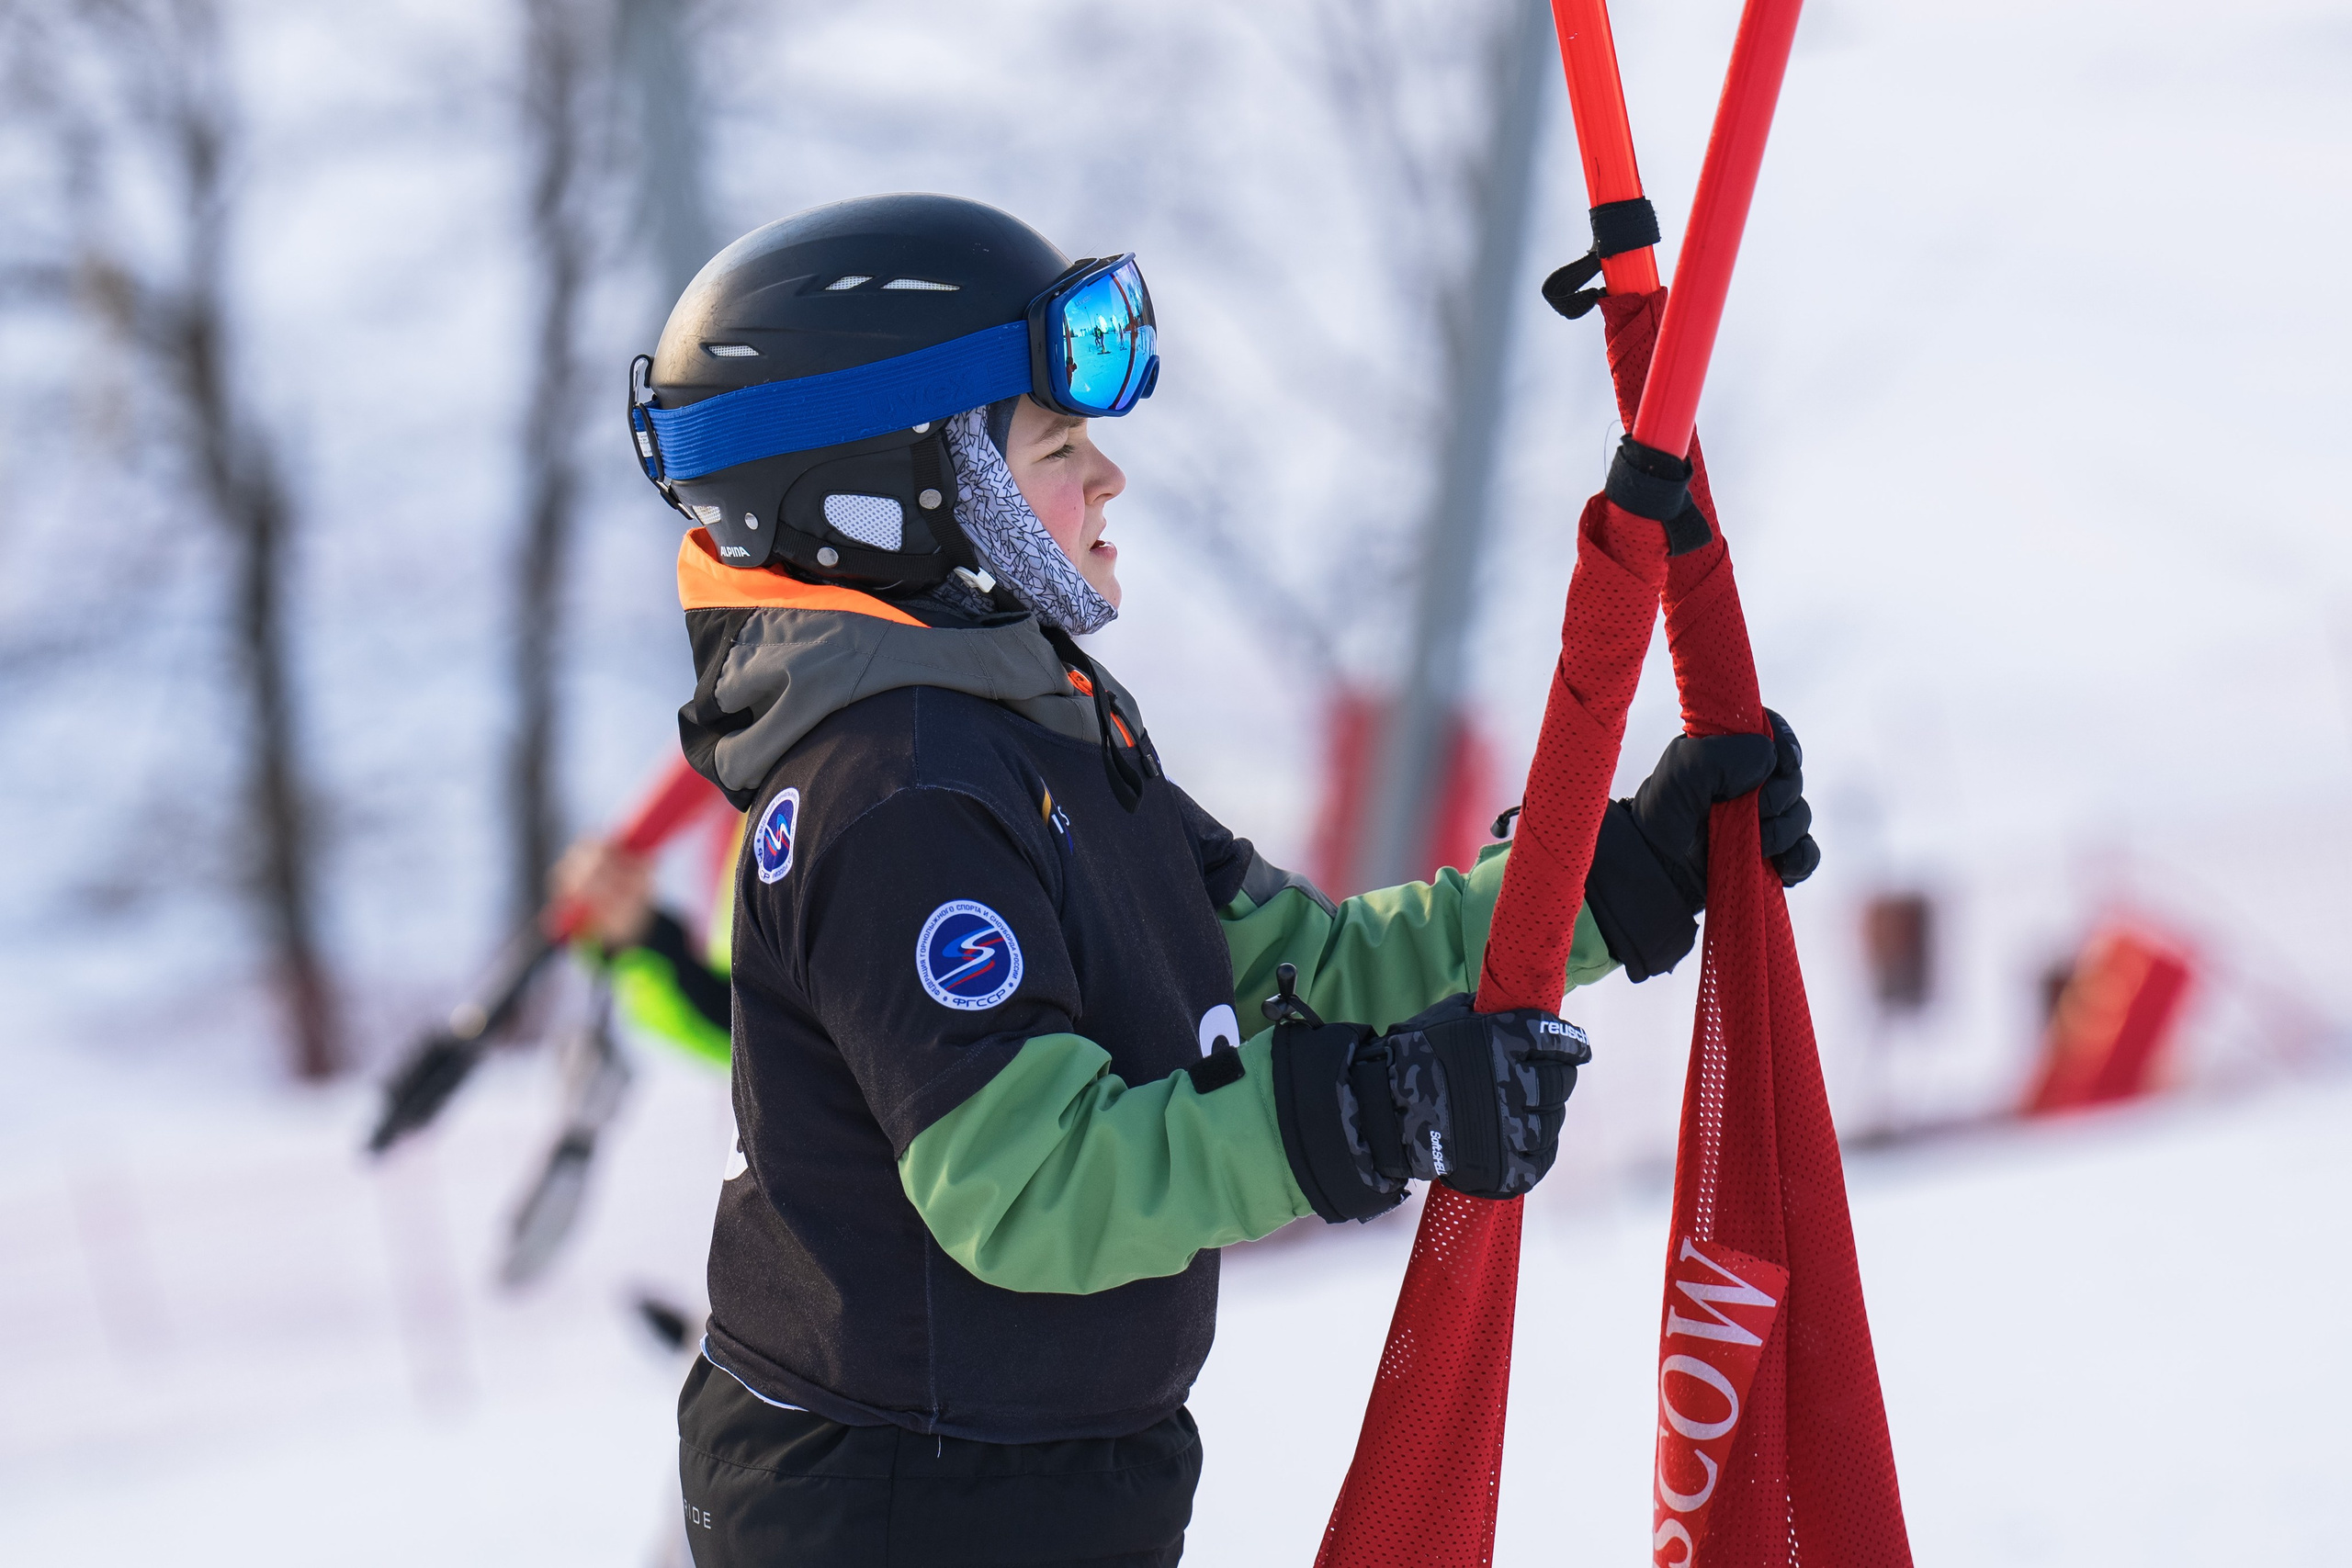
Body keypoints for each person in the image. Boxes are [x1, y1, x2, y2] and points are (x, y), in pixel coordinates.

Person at [624, 194, 1817, 1567]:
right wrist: (1371, 1113)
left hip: (1045, 1481)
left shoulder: (1043, 730)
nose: (1109, 479)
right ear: (894, 506)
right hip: (894, 1510)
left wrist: (1626, 880)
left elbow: (1310, 968)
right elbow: (1031, 1184)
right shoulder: (898, 798)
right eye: (1059, 446)